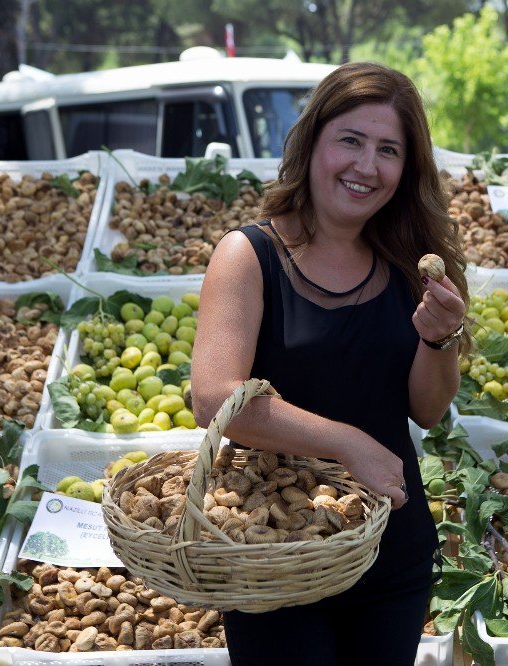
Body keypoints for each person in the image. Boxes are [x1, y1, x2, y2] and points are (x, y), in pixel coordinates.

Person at [191, 61, 471, 666]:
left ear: (407, 167)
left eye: (388, 150)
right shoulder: (249, 255)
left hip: (388, 547)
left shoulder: (407, 262)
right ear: (312, 140)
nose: (367, 166)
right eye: (350, 140)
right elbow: (215, 399)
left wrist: (440, 339)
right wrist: (346, 442)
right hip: (275, 548)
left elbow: (425, 409)